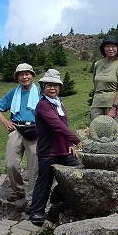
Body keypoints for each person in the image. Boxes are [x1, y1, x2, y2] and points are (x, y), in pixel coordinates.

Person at [27, 68, 83, 225]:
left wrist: (69, 144)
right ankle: (36, 212)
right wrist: (76, 140)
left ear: (60, 87)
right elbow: (57, 126)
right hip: (48, 151)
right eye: (49, 85)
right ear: (43, 87)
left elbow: (63, 125)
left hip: (64, 150)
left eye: (56, 85)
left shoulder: (59, 103)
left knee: (78, 170)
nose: (52, 88)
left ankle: (60, 198)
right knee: (44, 181)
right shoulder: (43, 105)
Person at [0, 63, 41, 201]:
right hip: (17, 129)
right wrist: (5, 122)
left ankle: (33, 195)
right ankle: (19, 189)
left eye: (27, 74)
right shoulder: (13, 93)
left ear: (32, 76)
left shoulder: (39, 92)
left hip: (35, 129)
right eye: (21, 74)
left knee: (34, 164)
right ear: (17, 77)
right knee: (10, 163)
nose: (24, 77)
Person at [90, 35, 118, 127]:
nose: (110, 49)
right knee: (96, 133)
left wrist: (114, 108)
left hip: (112, 104)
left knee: (111, 134)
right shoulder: (98, 64)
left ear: (117, 48)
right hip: (97, 103)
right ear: (103, 48)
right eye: (107, 46)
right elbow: (95, 83)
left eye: (113, 46)